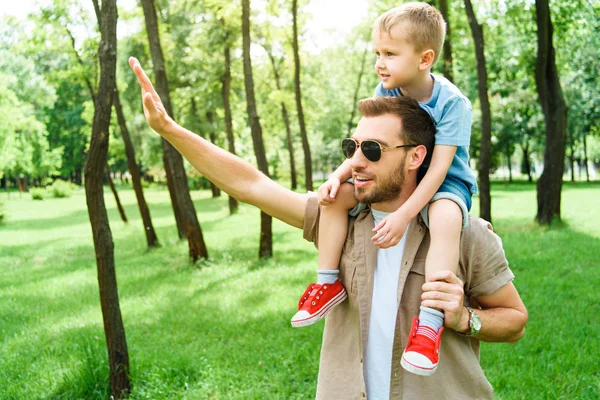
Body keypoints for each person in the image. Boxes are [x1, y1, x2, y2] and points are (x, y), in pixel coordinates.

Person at [129, 57, 528, 400]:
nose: (357, 161)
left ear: (415, 157)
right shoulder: (340, 220)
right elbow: (251, 184)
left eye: (372, 150)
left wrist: (464, 318)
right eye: (351, 147)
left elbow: (514, 321)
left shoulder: (463, 232)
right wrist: (169, 130)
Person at [290, 2, 477, 377]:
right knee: (336, 199)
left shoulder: (452, 103)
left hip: (444, 183)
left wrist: (406, 214)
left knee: (444, 219)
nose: (380, 62)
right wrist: (338, 175)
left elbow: (438, 168)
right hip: (396, 177)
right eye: (378, 53)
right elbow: (368, 144)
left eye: (390, 54)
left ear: (425, 58)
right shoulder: (386, 89)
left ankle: (428, 323)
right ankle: (327, 283)